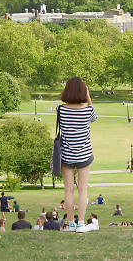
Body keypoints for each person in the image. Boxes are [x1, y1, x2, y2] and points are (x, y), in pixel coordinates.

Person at [57, 77, 97, 233]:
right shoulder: (88, 110)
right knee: (82, 189)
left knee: (68, 191)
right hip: (84, 154)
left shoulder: (60, 110)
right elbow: (93, 118)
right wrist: (88, 97)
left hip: (66, 154)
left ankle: (70, 223)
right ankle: (80, 223)